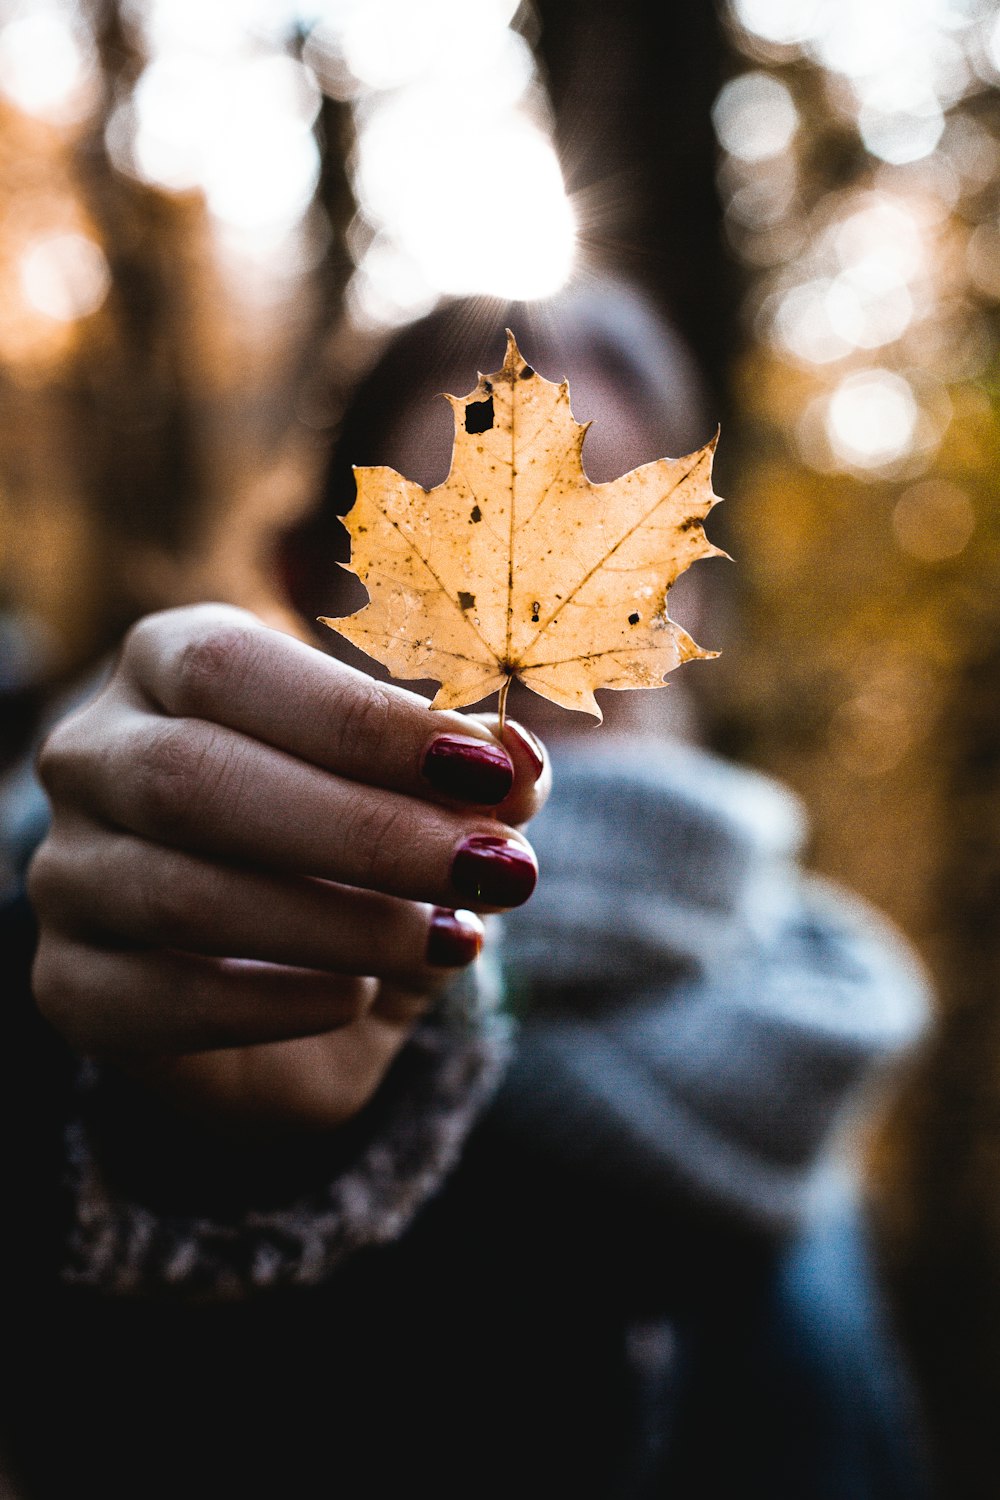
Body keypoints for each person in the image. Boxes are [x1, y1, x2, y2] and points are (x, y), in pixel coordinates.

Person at [0, 284, 931, 1498]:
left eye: (621, 573)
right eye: (452, 562)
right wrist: (195, 1136)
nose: (534, 619)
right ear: (311, 581)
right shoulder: (152, 929)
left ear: (695, 596)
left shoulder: (799, 988)